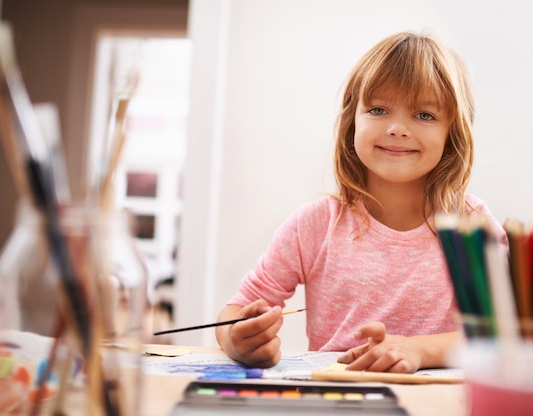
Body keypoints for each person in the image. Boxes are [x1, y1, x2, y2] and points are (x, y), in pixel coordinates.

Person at [215, 30, 508, 373]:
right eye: (379, 109)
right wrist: (236, 338)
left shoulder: (472, 225)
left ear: (452, 132)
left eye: (424, 115)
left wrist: (418, 350)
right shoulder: (316, 223)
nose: (397, 128)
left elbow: (498, 335)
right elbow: (236, 311)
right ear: (352, 121)